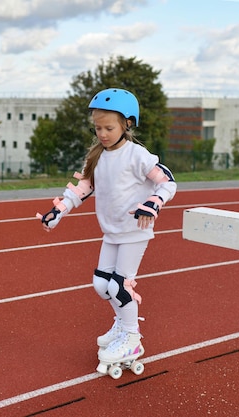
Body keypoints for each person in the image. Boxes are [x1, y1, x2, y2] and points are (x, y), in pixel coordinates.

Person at [38, 88, 177, 373]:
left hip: (134, 231)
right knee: (102, 285)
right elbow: (84, 186)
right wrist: (60, 209)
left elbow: (168, 182)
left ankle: (132, 339)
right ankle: (122, 325)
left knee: (120, 286)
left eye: (109, 127)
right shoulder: (98, 156)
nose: (102, 133)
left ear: (127, 124)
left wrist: (154, 202)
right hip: (111, 232)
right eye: (98, 127)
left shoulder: (137, 155)